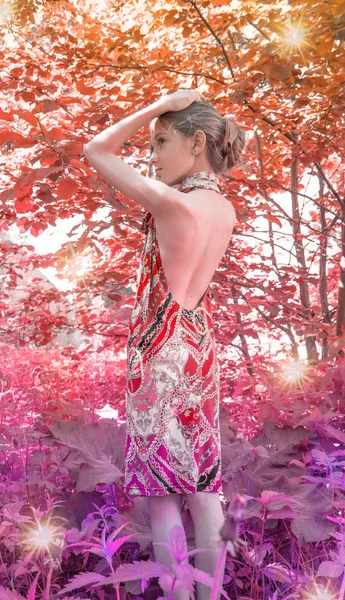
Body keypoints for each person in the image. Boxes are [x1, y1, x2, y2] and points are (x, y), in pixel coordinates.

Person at [83, 90, 246, 600]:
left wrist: (157, 103)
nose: (153, 155)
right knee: (203, 487)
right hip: (199, 342)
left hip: (161, 347)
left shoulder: (172, 202)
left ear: (196, 142)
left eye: (160, 141)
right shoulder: (224, 209)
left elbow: (96, 150)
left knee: (161, 493)